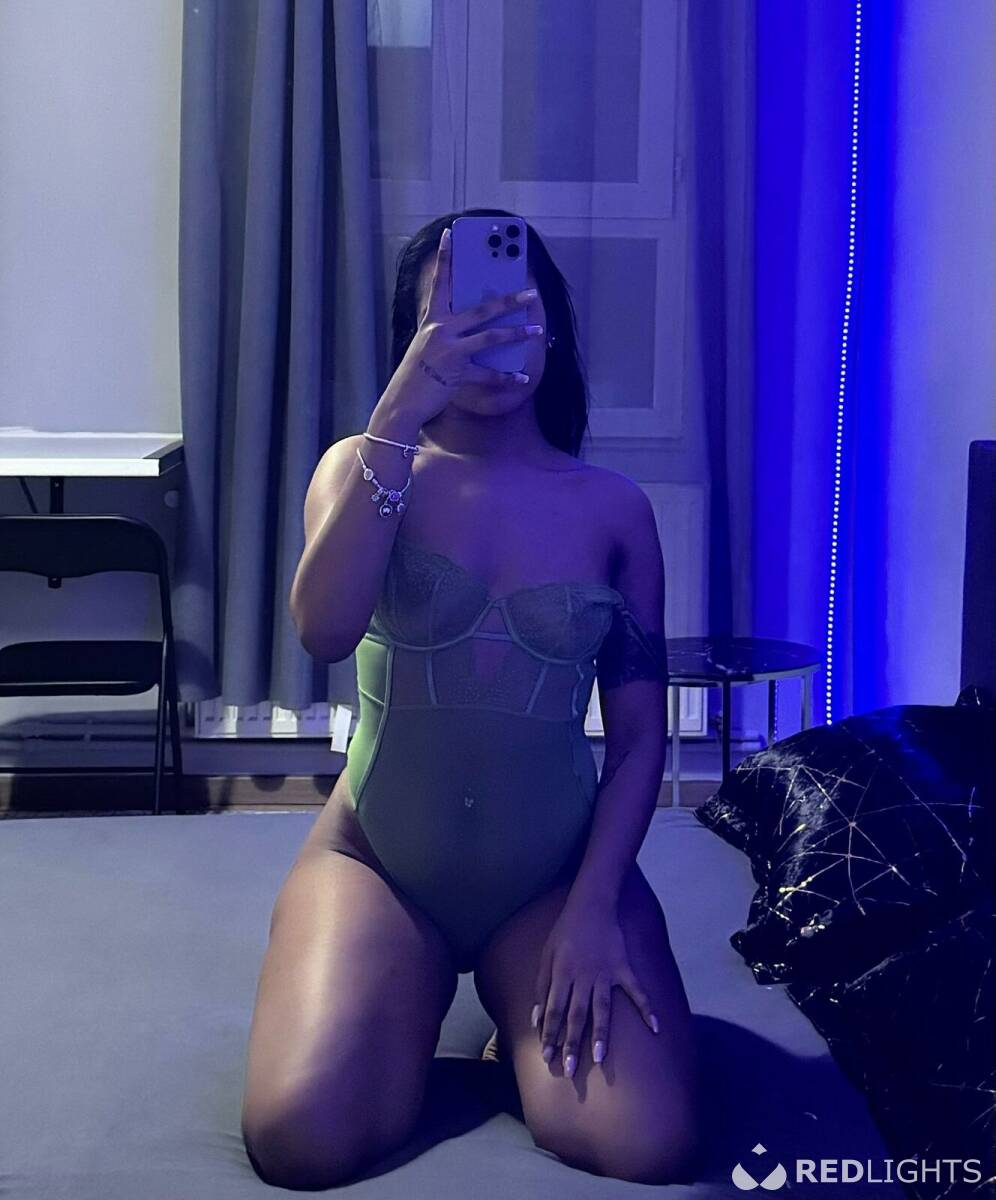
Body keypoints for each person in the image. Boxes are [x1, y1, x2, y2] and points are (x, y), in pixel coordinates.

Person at [241, 209, 701, 1188]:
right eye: (456, 316)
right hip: (376, 864)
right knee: (300, 1138)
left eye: (515, 313)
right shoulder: (359, 468)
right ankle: (402, 996)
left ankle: (507, 1003)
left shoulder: (613, 510)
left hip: (552, 881)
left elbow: (636, 742)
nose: (492, 339)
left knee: (647, 1145)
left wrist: (594, 909)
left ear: (554, 333)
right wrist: (396, 420)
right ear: (416, 337)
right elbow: (323, 630)